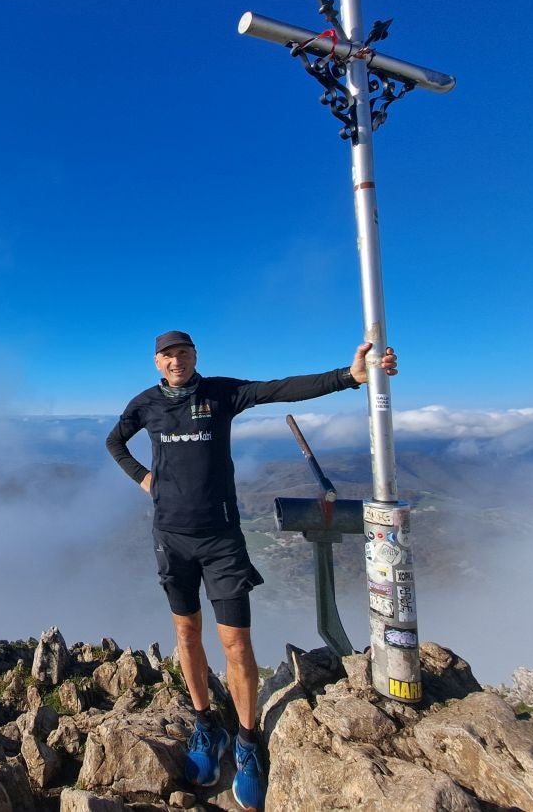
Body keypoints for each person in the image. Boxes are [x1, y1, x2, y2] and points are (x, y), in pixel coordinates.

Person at [105, 330, 398, 811]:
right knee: (186, 633)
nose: (176, 361)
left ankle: (245, 742)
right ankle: (206, 727)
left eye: (183, 353)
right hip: (171, 538)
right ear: (157, 362)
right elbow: (115, 441)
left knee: (236, 643)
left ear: (195, 356)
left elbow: (278, 389)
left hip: (221, 539)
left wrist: (348, 377)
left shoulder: (220, 393)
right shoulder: (145, 405)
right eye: (168, 355)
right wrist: (144, 477)